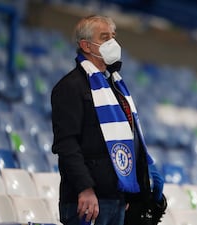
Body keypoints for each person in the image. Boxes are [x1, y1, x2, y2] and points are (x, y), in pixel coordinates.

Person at [51, 15, 165, 225]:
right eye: (104, 38)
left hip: (116, 199)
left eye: (113, 36)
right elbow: (67, 144)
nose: (113, 43)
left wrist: (132, 194)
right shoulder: (70, 87)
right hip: (87, 200)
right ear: (85, 45)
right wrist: (85, 189)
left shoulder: (116, 87)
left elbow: (129, 142)